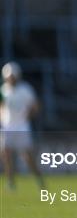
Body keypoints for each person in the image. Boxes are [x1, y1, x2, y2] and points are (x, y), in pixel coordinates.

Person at [0, 62, 45, 190]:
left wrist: (28, 115)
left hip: (22, 127)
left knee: (28, 156)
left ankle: (39, 180)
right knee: (6, 155)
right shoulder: (3, 90)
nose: (11, 79)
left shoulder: (25, 89)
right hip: (7, 127)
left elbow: (35, 106)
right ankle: (10, 182)